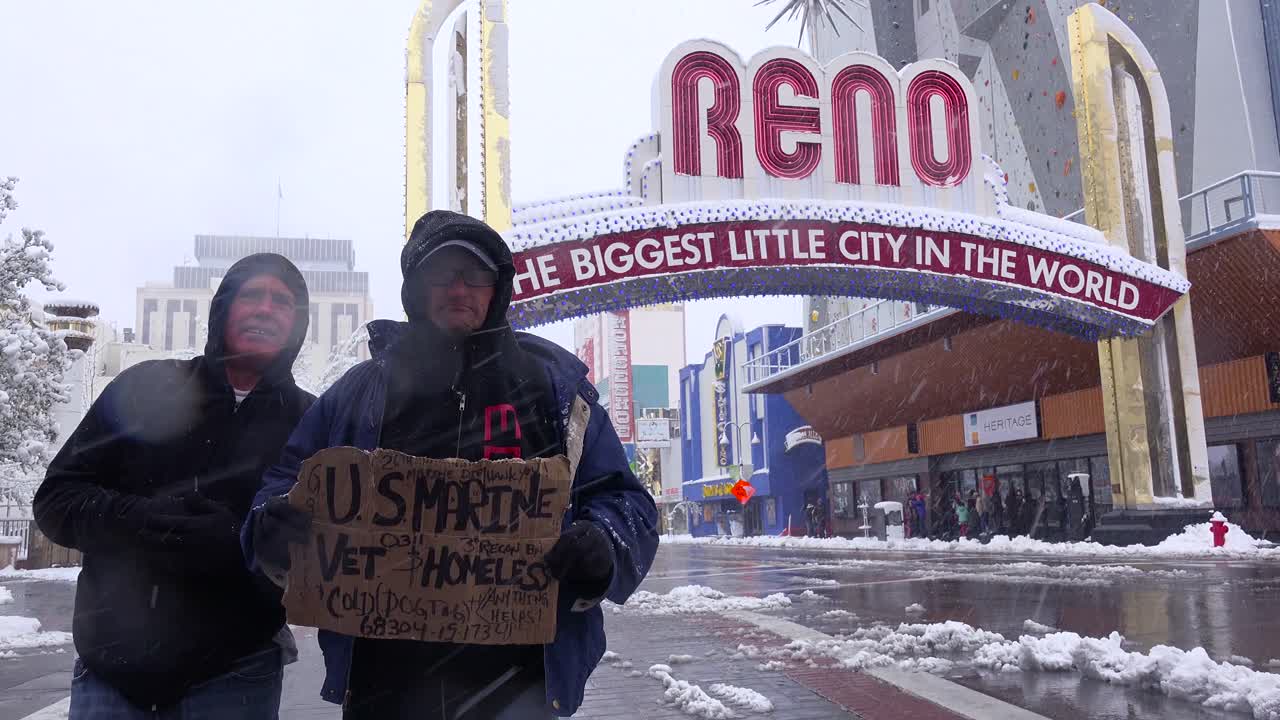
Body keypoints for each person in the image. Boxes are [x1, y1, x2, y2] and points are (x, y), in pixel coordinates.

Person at [242, 210, 659, 719]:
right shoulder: (359, 393)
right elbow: (282, 487)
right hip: (383, 687)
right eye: (441, 274)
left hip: (521, 688)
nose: (459, 288)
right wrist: (273, 528)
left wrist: (604, 543)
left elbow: (626, 501)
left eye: (475, 274)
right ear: (415, 289)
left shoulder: (555, 392)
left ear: (497, 287)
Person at [33, 254, 313, 719]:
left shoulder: (311, 421)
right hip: (111, 674)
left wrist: (244, 542)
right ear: (223, 308)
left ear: (297, 324)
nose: (266, 309)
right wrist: (141, 521)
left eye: (282, 301)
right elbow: (56, 500)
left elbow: (327, 552)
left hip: (237, 673)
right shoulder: (145, 388)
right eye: (252, 295)